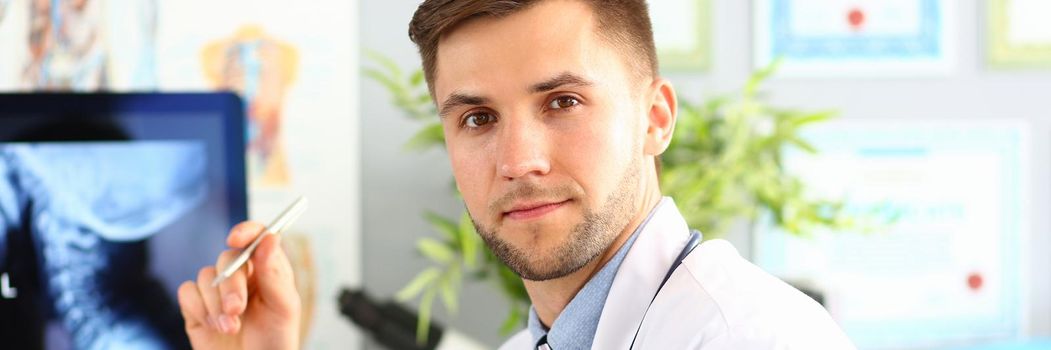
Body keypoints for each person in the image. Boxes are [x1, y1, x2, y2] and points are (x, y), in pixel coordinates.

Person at [177, 0, 857, 348]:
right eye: (476, 118)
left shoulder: (753, 340)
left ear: (654, 118)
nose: (516, 160)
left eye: (562, 103)